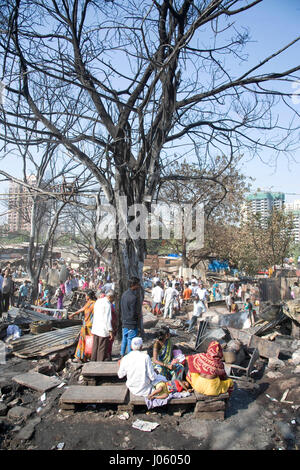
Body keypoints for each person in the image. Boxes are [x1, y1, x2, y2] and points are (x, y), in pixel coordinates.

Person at [69, 290, 97, 362]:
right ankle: (86, 356)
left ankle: (82, 356)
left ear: (88, 296)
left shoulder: (92, 304)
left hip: (89, 326)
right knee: (89, 341)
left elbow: (82, 310)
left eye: (86, 295)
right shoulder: (93, 303)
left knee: (85, 341)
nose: (85, 297)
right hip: (90, 325)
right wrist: (73, 314)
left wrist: (73, 314)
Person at [120, 277, 141, 357]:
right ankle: (129, 356)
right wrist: (138, 316)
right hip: (131, 322)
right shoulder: (133, 297)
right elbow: (133, 312)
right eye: (137, 284)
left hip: (124, 320)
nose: (138, 286)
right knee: (130, 340)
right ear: (134, 285)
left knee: (124, 338)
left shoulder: (124, 294)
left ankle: (122, 354)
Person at [91, 290, 114, 361]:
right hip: (103, 330)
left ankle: (93, 361)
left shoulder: (98, 301)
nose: (113, 300)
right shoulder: (107, 304)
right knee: (102, 348)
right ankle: (99, 363)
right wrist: (110, 331)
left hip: (96, 328)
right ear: (110, 297)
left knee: (95, 346)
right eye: (113, 298)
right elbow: (108, 318)